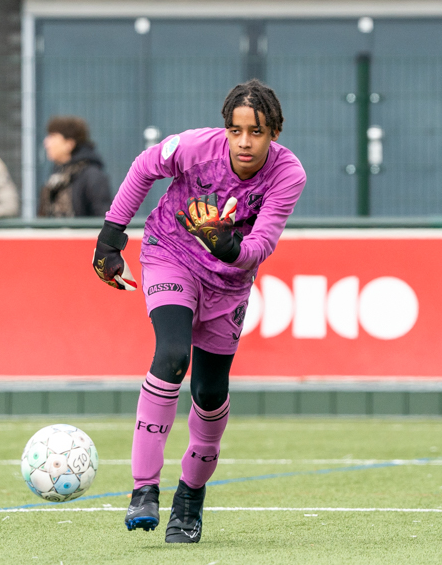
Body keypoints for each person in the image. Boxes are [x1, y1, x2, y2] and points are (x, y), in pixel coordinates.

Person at [93, 79, 306, 543]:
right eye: (236, 130)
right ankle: (144, 490)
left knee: (209, 395)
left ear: (275, 133)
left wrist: (229, 247)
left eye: (257, 131)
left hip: (229, 285)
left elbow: (260, 245)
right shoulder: (194, 147)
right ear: (225, 128)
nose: (245, 142)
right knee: (171, 356)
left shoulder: (288, 174)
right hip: (172, 255)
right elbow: (143, 168)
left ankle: (189, 498)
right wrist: (110, 238)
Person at [38, 116, 111, 217]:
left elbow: (102, 216)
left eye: (52, 136)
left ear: (69, 144)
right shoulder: (56, 174)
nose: (46, 143)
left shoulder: (92, 176)